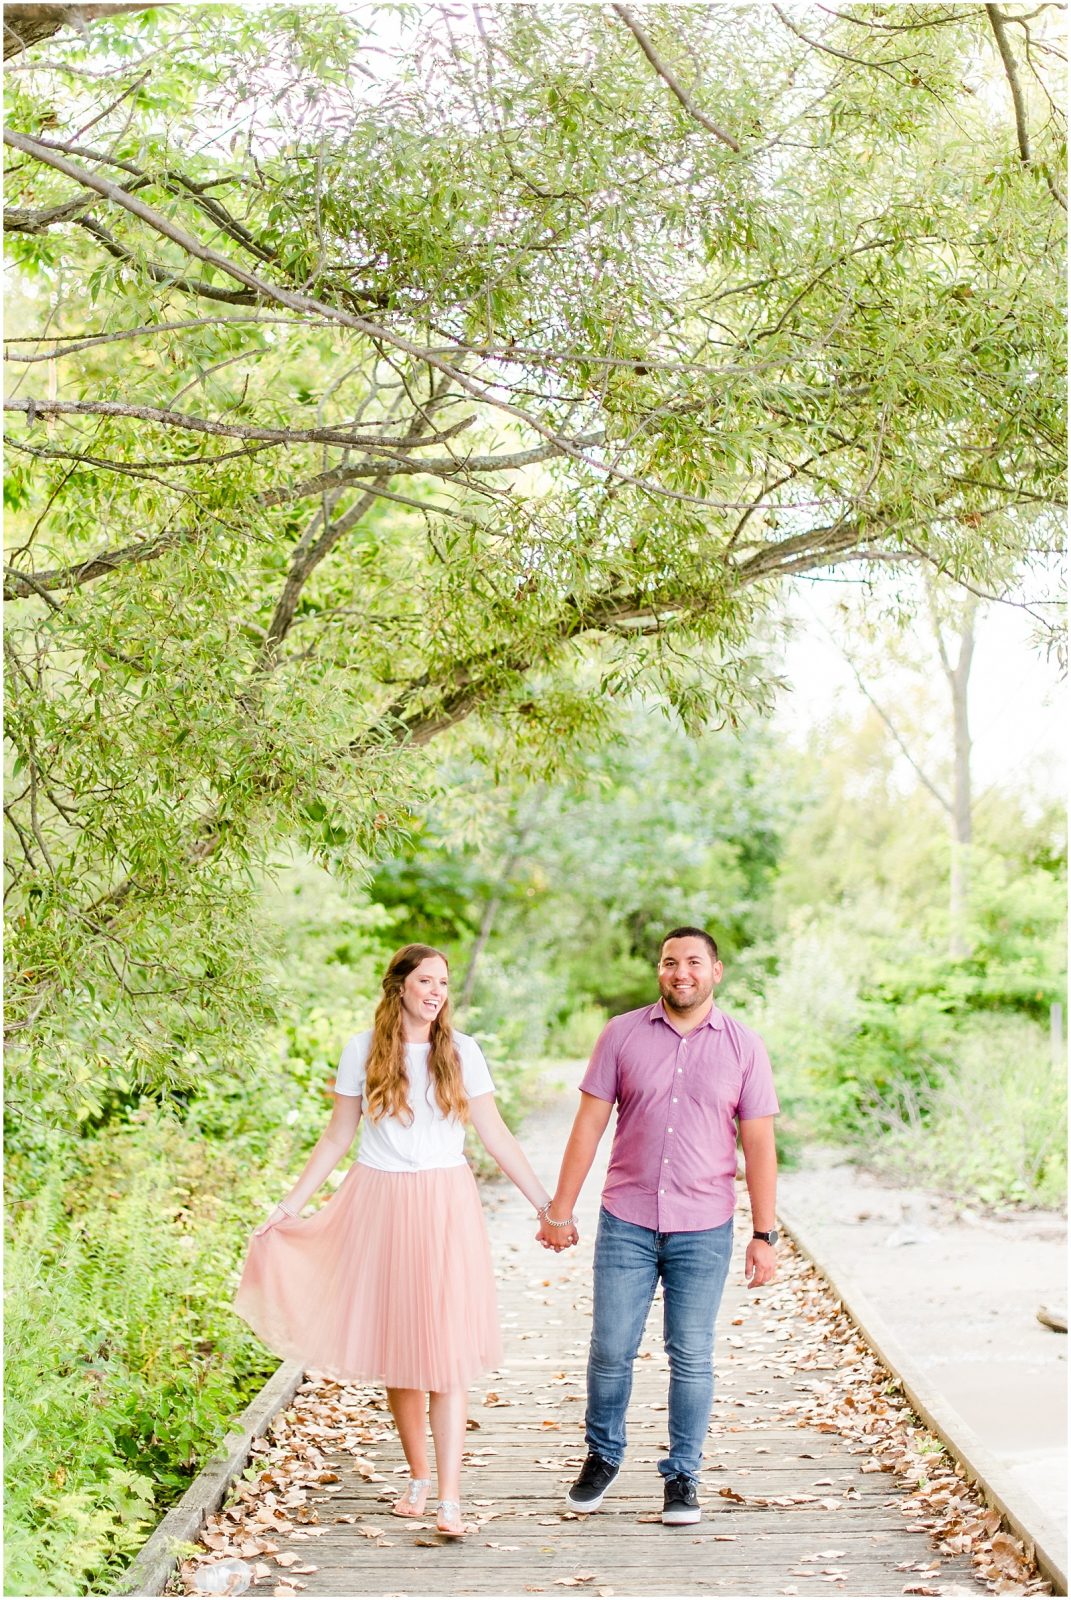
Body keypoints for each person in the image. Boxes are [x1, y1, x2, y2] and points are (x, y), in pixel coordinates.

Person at [234, 942, 569, 1538]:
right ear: (399, 987)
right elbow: (337, 1136)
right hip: (381, 1202)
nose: (436, 992)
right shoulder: (361, 1050)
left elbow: (494, 1133)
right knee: (401, 1350)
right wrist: (287, 1208)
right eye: (426, 981)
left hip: (445, 1204)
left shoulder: (463, 1052)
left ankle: (449, 1497)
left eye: (443, 983)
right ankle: (416, 1475)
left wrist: (547, 1205)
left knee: (445, 1351)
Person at [537, 927, 779, 1527]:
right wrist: (560, 1210)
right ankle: (603, 1455)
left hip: (705, 1225)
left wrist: (765, 1234)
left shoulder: (745, 1048)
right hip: (628, 1218)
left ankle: (683, 1475)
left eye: (694, 962)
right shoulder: (621, 1035)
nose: (681, 973)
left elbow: (760, 1146)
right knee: (611, 1348)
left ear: (716, 971)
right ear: (660, 971)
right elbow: (588, 1128)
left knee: (691, 1353)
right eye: (671, 962)